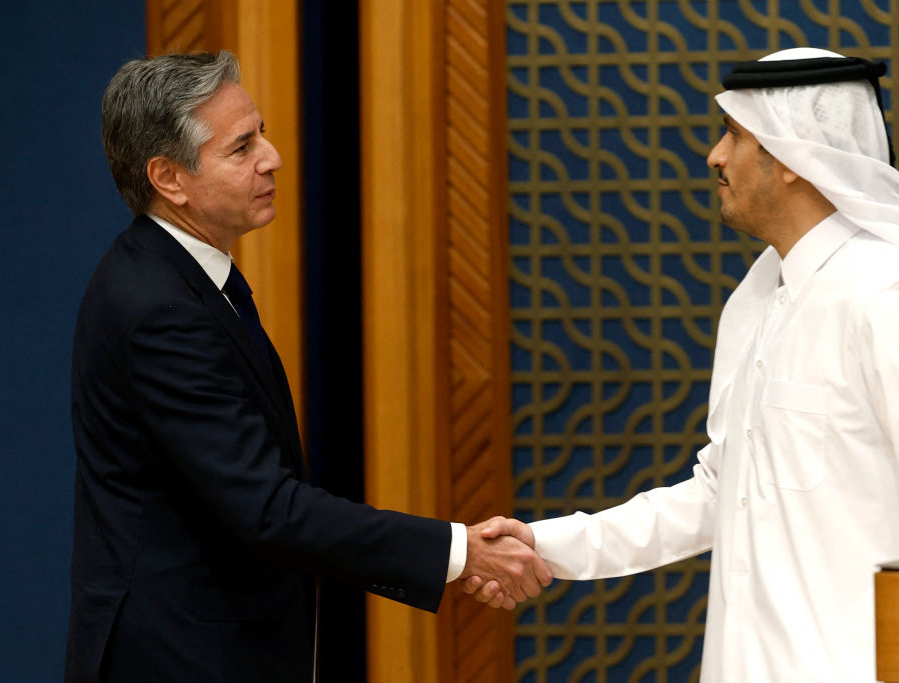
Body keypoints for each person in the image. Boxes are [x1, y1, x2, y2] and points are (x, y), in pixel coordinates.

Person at [464, 47, 899, 682]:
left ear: (792, 155)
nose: (715, 155)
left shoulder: (885, 298)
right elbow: (721, 494)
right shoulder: (765, 297)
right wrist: (542, 546)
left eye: (735, 135)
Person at [66, 50, 550, 683]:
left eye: (261, 132)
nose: (272, 157)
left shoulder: (184, 277)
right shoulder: (159, 307)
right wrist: (458, 553)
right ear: (169, 178)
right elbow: (265, 508)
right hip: (178, 658)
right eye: (241, 148)